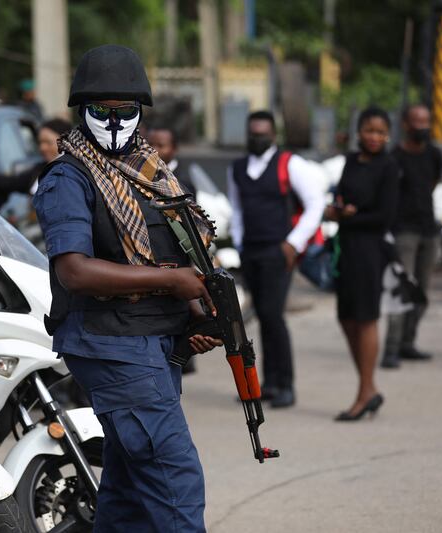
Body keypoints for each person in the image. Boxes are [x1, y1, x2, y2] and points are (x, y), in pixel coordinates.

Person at [33, 44, 220, 533]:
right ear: (81, 110)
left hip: (151, 342)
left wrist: (195, 319)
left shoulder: (149, 173)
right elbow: (74, 270)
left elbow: (181, 252)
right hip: (112, 342)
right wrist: (172, 282)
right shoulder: (69, 178)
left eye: (126, 111)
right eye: (102, 111)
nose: (115, 122)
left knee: (129, 490)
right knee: (174, 481)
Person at [226, 110, 325, 408]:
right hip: (251, 250)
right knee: (263, 319)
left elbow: (316, 203)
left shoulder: (289, 164)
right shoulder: (238, 168)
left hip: (278, 250)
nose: (257, 138)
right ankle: (267, 384)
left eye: (263, 133)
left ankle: (286, 385)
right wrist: (240, 244)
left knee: (273, 316)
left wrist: (293, 243)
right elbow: (237, 208)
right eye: (253, 133)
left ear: (274, 135)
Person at [325, 106, 399, 421]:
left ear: (388, 135)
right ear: (359, 132)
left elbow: (385, 216)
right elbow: (341, 195)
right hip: (347, 248)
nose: (374, 137)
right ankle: (369, 389)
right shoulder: (352, 160)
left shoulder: (389, 166)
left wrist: (350, 217)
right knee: (346, 318)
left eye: (381, 132)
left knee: (366, 318)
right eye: (370, 130)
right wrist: (336, 210)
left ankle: (365, 390)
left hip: (371, 249)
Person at [381, 104, 442, 368]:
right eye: (417, 121)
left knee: (421, 293)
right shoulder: (394, 157)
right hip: (404, 232)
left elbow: (432, 184)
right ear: (406, 125)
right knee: (401, 292)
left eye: (426, 121)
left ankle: (408, 343)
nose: (422, 127)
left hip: (429, 231)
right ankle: (391, 349)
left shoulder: (434, 155)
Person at [148, 127, 195, 193]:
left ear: (174, 148)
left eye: (160, 145)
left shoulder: (184, 181)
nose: (153, 149)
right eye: (150, 144)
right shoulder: (139, 172)